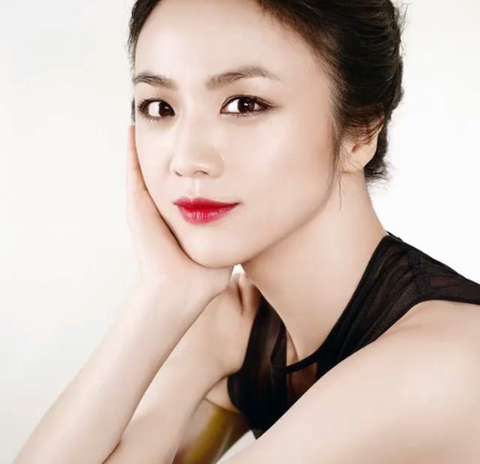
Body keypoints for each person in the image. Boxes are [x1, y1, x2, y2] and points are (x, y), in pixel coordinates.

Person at [13, 0, 480, 463]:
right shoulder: (240, 330)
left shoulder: (442, 361)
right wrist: (162, 299)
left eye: (244, 104)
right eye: (160, 107)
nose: (187, 158)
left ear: (360, 132)